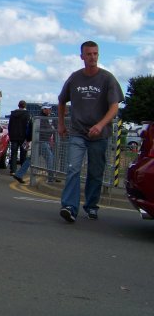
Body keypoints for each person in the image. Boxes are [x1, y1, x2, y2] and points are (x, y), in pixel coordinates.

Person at [57, 41, 124, 223]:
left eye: (95, 54)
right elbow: (62, 101)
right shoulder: (75, 78)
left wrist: (101, 125)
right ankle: (69, 207)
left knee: (95, 172)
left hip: (99, 135)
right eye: (89, 54)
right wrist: (61, 124)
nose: (92, 57)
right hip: (78, 132)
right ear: (82, 57)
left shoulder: (107, 79)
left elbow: (114, 107)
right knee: (73, 168)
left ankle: (91, 206)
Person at [8, 100, 31, 176]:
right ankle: (22, 171)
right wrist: (28, 138)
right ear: (25, 106)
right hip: (23, 137)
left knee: (13, 153)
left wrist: (10, 135)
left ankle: (13, 170)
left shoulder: (13, 114)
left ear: (18, 105)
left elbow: (10, 126)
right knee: (23, 154)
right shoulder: (27, 114)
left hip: (14, 136)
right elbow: (28, 127)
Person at [37, 102, 58, 182]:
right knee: (50, 158)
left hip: (41, 141)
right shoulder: (42, 118)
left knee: (31, 159)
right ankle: (50, 178)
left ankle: (19, 174)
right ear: (44, 109)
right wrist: (52, 130)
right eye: (49, 108)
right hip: (42, 141)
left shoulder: (43, 117)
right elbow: (45, 130)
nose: (50, 110)